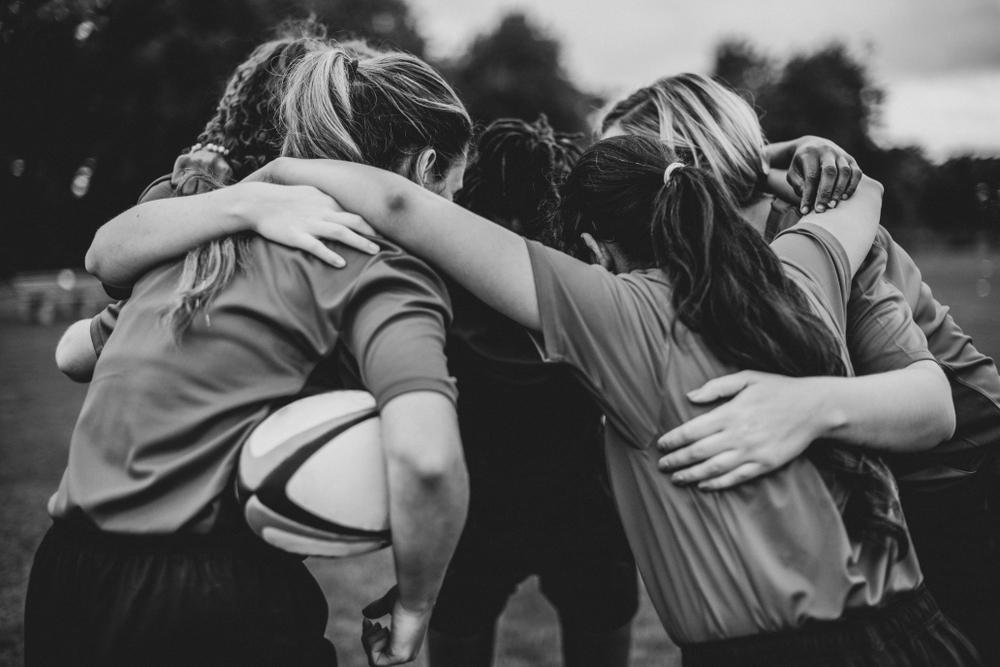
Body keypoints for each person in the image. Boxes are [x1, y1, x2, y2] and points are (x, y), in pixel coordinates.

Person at [231, 129, 976, 665]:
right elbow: (864, 195)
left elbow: (401, 207)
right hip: (923, 632)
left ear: (591, 248)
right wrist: (780, 164)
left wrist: (271, 174)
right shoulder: (801, 268)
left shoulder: (618, 314)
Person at [31, 44, 474, 667]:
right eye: (456, 189)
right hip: (211, 597)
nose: (456, 212)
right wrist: (416, 604)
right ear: (427, 167)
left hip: (67, 576)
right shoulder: (384, 273)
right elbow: (428, 460)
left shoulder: (196, 240)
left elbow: (92, 298)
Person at [608, 73, 1000, 664]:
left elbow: (932, 409)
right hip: (882, 476)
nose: (611, 187)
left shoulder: (821, 226)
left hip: (962, 471)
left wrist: (804, 407)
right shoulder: (696, 248)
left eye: (622, 163)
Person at [429, 117, 637, 667]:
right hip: (582, 497)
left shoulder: (440, 282)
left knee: (456, 626)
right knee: (602, 621)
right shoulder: (587, 281)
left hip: (471, 505)